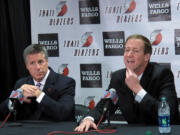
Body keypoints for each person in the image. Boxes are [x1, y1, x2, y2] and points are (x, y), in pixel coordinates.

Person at [75, 34, 179, 132]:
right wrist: (89, 119)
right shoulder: (118, 77)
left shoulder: (162, 75)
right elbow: (103, 107)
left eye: (135, 51)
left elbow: (168, 112)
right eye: (127, 50)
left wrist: (138, 90)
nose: (129, 55)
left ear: (146, 57)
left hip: (163, 131)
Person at [0, 44, 75, 121]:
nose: (38, 67)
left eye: (40, 62)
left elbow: (64, 113)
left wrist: (39, 95)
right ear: (27, 66)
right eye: (32, 63)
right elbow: (2, 113)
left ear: (47, 61)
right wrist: (15, 96)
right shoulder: (21, 84)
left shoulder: (66, 82)